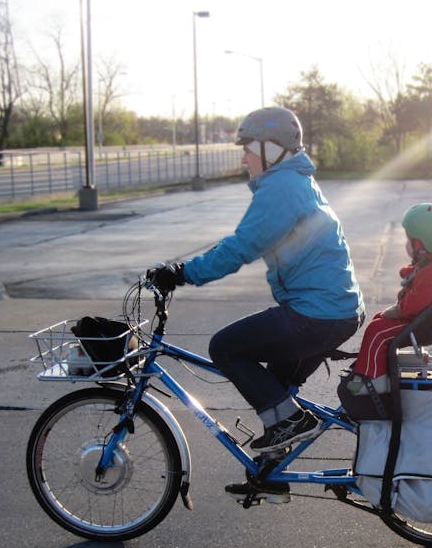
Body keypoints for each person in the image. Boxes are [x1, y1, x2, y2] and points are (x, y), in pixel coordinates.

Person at [150, 106, 364, 501]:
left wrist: (181, 273)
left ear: (272, 148)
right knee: (278, 394)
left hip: (316, 314)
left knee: (225, 348)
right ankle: (272, 476)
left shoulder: (282, 187)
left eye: (248, 148)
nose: (243, 157)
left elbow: (242, 246)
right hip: (332, 310)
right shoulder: (295, 181)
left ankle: (292, 424)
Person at [344, 203, 432, 396]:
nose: (406, 244)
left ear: (423, 244)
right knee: (379, 319)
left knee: (377, 331)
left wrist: (397, 311)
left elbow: (416, 302)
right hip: (419, 320)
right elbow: (419, 278)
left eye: (410, 240)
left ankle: (373, 379)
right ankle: (373, 365)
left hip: (420, 324)